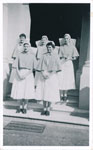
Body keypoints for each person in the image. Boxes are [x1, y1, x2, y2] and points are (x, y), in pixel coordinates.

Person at [35, 41, 61, 116]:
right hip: (43, 74)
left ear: (53, 48)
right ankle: (44, 108)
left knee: (50, 92)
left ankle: (48, 109)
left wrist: (50, 75)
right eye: (48, 47)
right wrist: (43, 73)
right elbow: (40, 65)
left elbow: (57, 67)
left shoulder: (56, 56)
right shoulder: (43, 55)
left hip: (52, 75)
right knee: (43, 91)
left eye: (50, 47)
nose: (49, 49)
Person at [11, 42, 36, 114]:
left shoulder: (32, 56)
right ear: (23, 47)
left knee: (26, 91)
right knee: (19, 90)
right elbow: (16, 66)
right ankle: (19, 107)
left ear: (29, 47)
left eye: (27, 46)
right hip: (20, 73)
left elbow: (32, 68)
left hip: (28, 74)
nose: (26, 48)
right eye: (25, 46)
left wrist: (26, 75)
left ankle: (25, 107)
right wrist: (19, 74)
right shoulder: (19, 55)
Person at [58, 33, 79, 101]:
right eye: (65, 38)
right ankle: (61, 95)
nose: (66, 39)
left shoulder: (72, 47)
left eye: (67, 38)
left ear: (69, 39)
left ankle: (65, 95)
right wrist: (63, 57)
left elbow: (75, 57)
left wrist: (70, 58)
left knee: (67, 79)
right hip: (62, 63)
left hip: (69, 63)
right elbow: (59, 56)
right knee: (61, 78)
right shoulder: (61, 47)